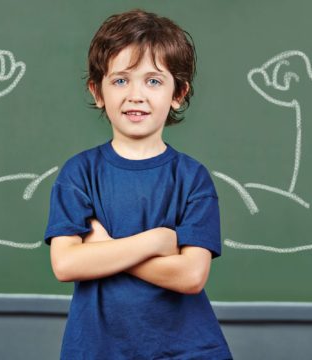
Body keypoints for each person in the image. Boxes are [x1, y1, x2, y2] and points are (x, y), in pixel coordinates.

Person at [44, 8, 234, 360]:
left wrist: (105, 249)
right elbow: (66, 265)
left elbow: (191, 275)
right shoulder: (79, 174)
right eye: (120, 80)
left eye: (153, 80)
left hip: (187, 350)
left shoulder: (192, 178)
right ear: (97, 91)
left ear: (178, 93)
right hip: (99, 349)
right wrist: (156, 240)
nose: (135, 95)